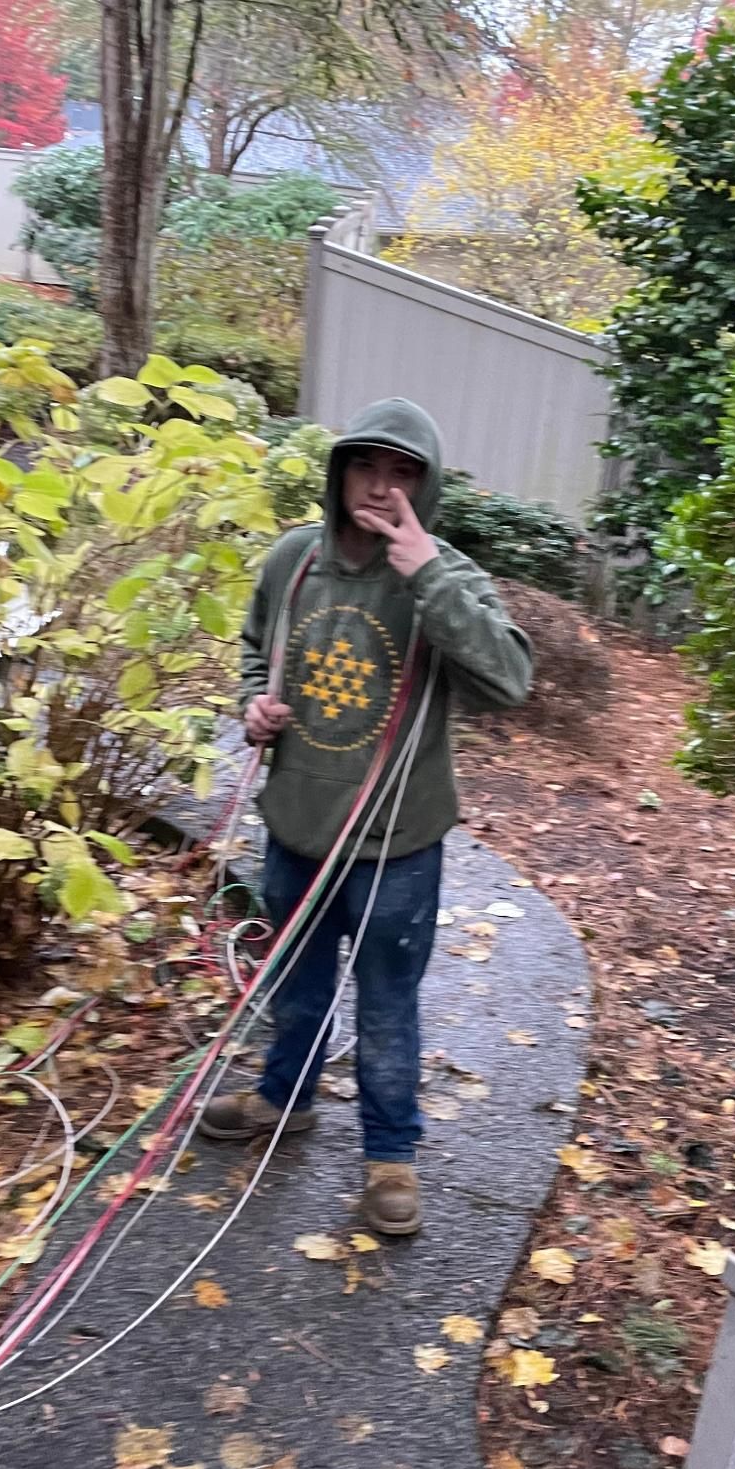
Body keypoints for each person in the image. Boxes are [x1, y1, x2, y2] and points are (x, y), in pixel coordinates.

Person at [199, 398, 532, 1235]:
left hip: (397, 844)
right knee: (297, 981)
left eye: (404, 473)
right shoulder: (293, 562)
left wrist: (424, 569)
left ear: (428, 487)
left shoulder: (444, 574)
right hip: (296, 824)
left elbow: (509, 681)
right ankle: (285, 1099)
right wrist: (254, 706)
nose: (381, 488)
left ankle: (390, 1154)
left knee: (388, 1003)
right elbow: (252, 649)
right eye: (367, 466)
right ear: (339, 469)